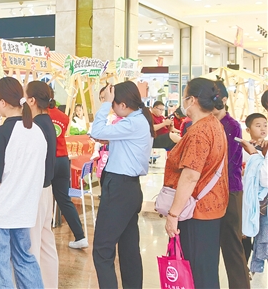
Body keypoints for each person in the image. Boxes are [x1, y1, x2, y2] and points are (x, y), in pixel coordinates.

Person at [0, 77, 46, 289]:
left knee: (0, 271)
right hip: (24, 212)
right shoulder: (37, 132)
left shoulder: (4, 132)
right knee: (25, 260)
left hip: (0, 213)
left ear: (2, 102)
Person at [163, 78, 229, 289]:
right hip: (212, 208)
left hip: (196, 211)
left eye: (184, 97)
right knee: (206, 271)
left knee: (196, 273)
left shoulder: (199, 132)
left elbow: (190, 176)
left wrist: (173, 215)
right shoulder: (214, 124)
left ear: (192, 100)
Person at [89, 81, 155, 289]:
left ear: (123, 104)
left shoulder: (133, 123)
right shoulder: (138, 120)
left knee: (102, 250)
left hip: (120, 188)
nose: (111, 107)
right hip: (128, 189)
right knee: (128, 250)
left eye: (112, 103)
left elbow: (96, 130)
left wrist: (104, 105)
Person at [211, 80, 250, 288]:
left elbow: (228, 162)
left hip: (230, 190)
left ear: (224, 100)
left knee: (232, 246)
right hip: (208, 194)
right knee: (209, 248)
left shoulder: (232, 126)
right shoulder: (204, 123)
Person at [25, 81, 58, 288]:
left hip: (36, 191)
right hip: (46, 189)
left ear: (31, 100)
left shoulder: (35, 125)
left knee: (32, 245)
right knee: (46, 244)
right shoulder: (47, 122)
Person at [47, 87, 88, 249]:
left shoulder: (39, 117)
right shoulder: (63, 117)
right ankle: (80, 236)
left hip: (47, 160)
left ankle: (40, 238)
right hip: (63, 159)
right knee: (64, 199)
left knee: (40, 198)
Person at [241, 113, 268, 275]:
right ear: (248, 129)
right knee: (245, 235)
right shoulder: (244, 148)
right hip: (247, 199)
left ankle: (254, 267)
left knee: (261, 234)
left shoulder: (265, 147)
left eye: (265, 125)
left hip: (263, 202)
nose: (263, 128)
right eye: (258, 125)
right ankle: (245, 270)